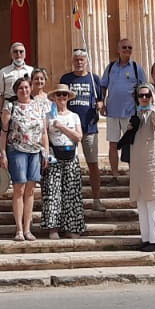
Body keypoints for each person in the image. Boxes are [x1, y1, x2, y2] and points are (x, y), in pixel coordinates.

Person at [2, 71, 48, 241]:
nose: (24, 90)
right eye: (21, 88)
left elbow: (43, 132)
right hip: (17, 150)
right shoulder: (10, 106)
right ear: (16, 91)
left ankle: (28, 229)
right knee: (19, 189)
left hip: (35, 151)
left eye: (27, 87)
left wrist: (46, 152)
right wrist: (3, 153)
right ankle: (19, 229)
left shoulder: (39, 106)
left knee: (30, 190)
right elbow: (4, 132)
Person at [125, 83, 155, 252]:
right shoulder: (137, 114)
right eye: (141, 95)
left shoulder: (153, 113)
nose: (144, 98)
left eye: (147, 95)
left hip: (152, 163)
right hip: (138, 163)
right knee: (142, 202)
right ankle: (147, 238)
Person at [58, 47, 104, 205]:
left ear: (86, 61)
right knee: (69, 165)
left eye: (81, 59)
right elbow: (60, 100)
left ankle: (96, 199)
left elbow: (101, 99)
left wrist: (100, 104)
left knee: (93, 164)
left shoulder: (94, 79)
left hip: (89, 127)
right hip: (69, 129)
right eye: (76, 59)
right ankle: (70, 200)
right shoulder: (66, 78)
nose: (79, 62)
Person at [41, 85, 87, 239]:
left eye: (64, 95)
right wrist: (45, 154)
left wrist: (61, 127)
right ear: (54, 97)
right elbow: (45, 135)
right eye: (59, 95)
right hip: (54, 154)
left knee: (72, 193)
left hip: (71, 154)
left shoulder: (74, 116)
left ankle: (72, 226)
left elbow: (78, 136)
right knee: (52, 191)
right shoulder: (47, 116)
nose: (61, 98)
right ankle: (53, 227)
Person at [101, 39, 145, 177]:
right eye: (124, 47)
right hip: (112, 112)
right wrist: (102, 102)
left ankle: (134, 173)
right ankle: (115, 173)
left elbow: (144, 88)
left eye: (130, 47)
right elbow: (103, 86)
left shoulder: (137, 68)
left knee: (132, 144)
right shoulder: (111, 67)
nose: (127, 49)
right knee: (113, 144)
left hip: (130, 112)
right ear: (118, 49)